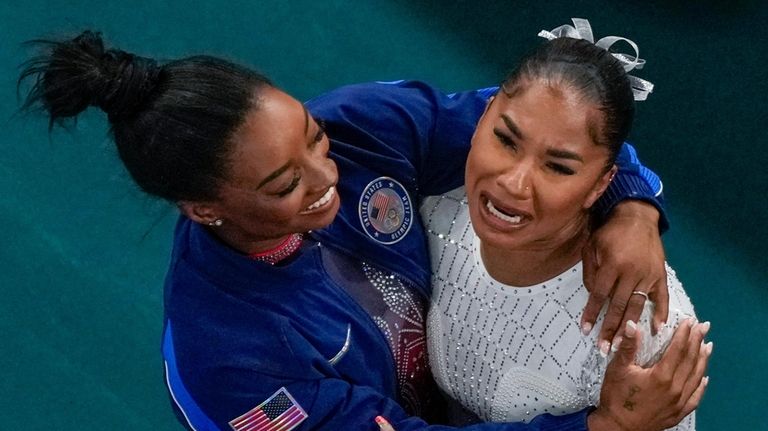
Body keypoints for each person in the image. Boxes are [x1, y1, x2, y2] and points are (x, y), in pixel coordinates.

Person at [18, 30, 709, 431]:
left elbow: (534, 124)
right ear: (203, 207)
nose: (326, 177)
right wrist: (602, 429)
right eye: (284, 185)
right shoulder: (232, 360)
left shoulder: (362, 126)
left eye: (313, 139)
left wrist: (632, 201)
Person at [422, 20, 709, 430]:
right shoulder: (434, 202)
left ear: (602, 184)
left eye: (557, 167)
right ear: (483, 115)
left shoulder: (643, 323)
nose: (513, 184)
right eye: (506, 140)